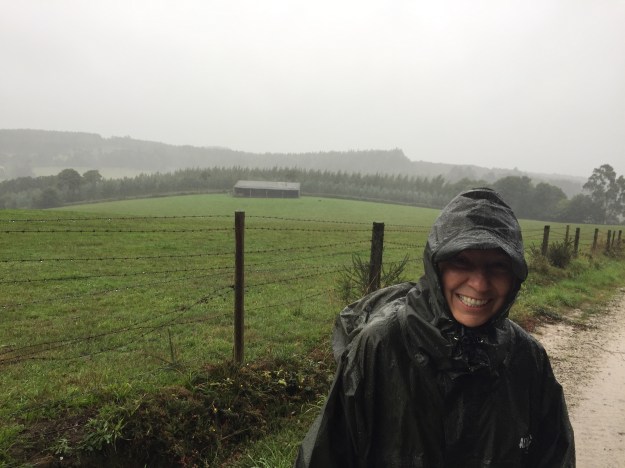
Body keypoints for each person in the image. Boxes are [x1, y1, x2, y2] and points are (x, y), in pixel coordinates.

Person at [294, 188, 575, 467]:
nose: (479, 284)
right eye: (462, 262)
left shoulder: (528, 359)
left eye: (498, 266)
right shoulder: (379, 347)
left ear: (514, 276)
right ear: (436, 267)